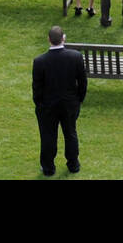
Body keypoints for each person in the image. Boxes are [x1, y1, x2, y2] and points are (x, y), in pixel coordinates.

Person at [32, 25, 87, 176]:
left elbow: (37, 88)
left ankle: (48, 168)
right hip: (70, 104)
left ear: (48, 40)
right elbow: (83, 82)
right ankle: (73, 164)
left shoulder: (39, 61)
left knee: (48, 136)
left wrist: (40, 104)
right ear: (64, 38)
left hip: (48, 106)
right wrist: (78, 100)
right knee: (70, 133)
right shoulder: (75, 57)